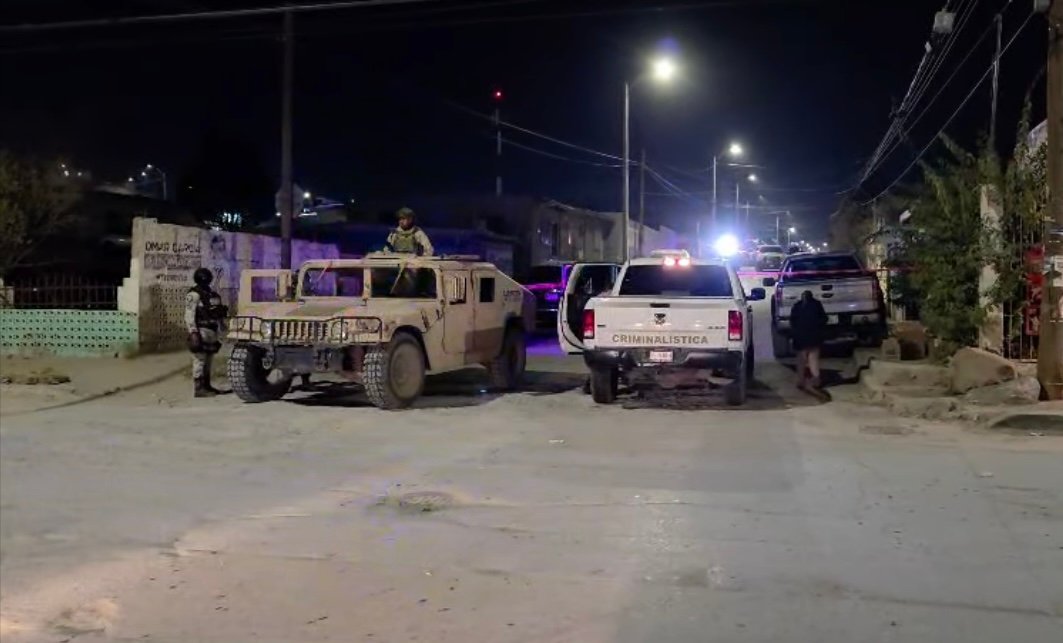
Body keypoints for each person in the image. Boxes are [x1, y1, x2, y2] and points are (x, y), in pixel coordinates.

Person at [185, 267, 228, 398]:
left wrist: (222, 328)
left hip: (212, 330)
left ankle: (207, 386)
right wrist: (193, 332)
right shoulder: (193, 295)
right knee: (199, 359)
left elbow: (218, 313)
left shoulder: (211, 294)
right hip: (201, 329)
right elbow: (189, 315)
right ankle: (199, 388)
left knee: (209, 359)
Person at [790, 289, 828, 391]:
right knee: (813, 360)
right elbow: (824, 319)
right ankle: (816, 381)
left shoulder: (797, 306)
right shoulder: (817, 305)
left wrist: (794, 333)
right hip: (814, 337)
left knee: (801, 360)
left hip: (800, 338)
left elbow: (792, 321)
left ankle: (800, 381)